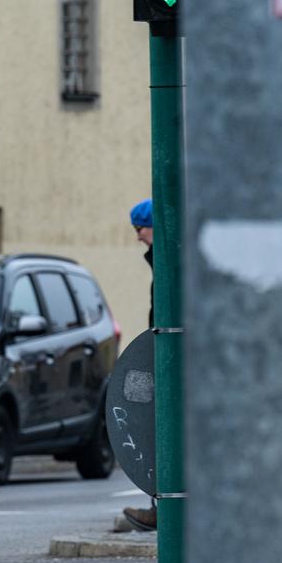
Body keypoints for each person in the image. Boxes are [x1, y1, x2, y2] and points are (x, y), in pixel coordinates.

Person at [122, 199, 158, 532]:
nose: (137, 237)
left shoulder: (168, 262)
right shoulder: (165, 260)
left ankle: (163, 507)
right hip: (164, 355)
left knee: (161, 428)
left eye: (139, 228)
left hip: (172, 359)